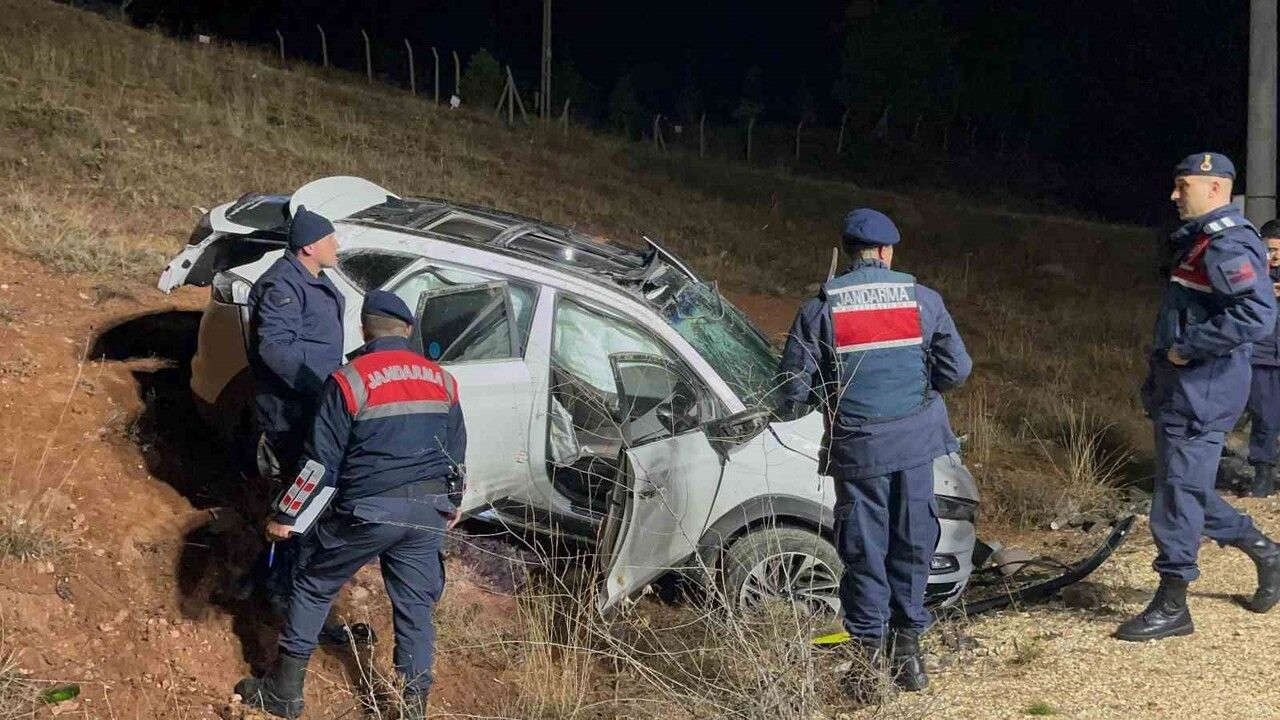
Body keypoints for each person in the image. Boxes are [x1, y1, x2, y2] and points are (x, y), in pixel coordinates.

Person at [235, 290, 466, 720]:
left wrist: (288, 515)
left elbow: (320, 463)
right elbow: (455, 454)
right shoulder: (443, 380)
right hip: (427, 511)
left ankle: (285, 693)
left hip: (369, 510)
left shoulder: (349, 380)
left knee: (313, 582)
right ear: (408, 330)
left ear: (364, 331)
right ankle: (413, 709)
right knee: (415, 608)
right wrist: (451, 503)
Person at [777, 208, 971, 699]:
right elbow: (956, 370)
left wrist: (827, 393)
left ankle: (868, 666)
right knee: (913, 542)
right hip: (916, 446)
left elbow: (792, 391)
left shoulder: (820, 308)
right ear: (887, 252)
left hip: (860, 452)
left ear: (849, 252)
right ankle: (909, 656)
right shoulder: (923, 300)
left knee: (865, 550)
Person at [1121, 152, 1280, 642]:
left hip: (1202, 390)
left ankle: (1173, 603)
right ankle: (1265, 551)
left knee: (1177, 494)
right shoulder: (1201, 239)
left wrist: (1187, 349)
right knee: (1182, 487)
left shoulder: (1227, 242)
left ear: (1215, 188)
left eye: (1183, 185)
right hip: (1184, 389)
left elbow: (1256, 314)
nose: (1174, 195)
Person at [246, 205, 345, 609]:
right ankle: (275, 586)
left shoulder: (313, 280)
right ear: (308, 246)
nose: (337, 245)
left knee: (307, 496)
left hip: (313, 409)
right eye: (329, 238)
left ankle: (281, 580)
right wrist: (320, 388)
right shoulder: (282, 286)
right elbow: (275, 350)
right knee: (294, 497)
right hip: (290, 413)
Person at [1240, 219, 1280, 497]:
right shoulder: (1249, 273)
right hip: (1261, 356)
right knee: (1265, 417)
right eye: (1271, 250)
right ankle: (1263, 473)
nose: (1275, 256)